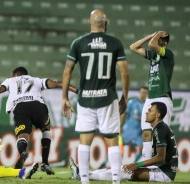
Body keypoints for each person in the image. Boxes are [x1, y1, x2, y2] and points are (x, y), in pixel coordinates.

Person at [0, 66, 78, 175]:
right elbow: (59, 84)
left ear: (16, 75)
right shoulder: (37, 80)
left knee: (22, 136)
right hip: (38, 106)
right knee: (46, 131)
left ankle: (23, 152)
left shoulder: (10, 80)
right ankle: (45, 162)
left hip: (21, 107)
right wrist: (78, 91)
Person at [62, 9, 130, 184]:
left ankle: (84, 180)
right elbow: (125, 73)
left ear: (89, 23)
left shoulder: (79, 43)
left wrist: (64, 98)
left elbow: (67, 70)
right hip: (107, 97)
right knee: (112, 140)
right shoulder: (115, 43)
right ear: (105, 24)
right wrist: (125, 97)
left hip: (86, 98)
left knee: (85, 140)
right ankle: (116, 181)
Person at [69, 102, 179, 182]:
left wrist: (137, 164)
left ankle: (83, 175)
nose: (146, 112)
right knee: (121, 169)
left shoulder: (160, 129)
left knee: (125, 172)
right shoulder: (160, 128)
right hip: (163, 170)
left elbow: (161, 157)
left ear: (157, 115)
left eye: (150, 110)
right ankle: (85, 174)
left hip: (165, 174)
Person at [130, 31, 174, 161]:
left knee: (160, 135)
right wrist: (150, 35)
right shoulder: (153, 56)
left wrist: (159, 33)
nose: (156, 40)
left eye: (160, 39)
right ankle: (146, 162)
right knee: (146, 133)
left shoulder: (168, 54)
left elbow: (151, 45)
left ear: (164, 42)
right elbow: (133, 47)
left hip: (163, 98)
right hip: (151, 98)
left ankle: (162, 164)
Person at [121, 86, 148, 163]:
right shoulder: (132, 102)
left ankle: (132, 165)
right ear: (139, 93)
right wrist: (120, 126)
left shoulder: (147, 105)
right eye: (142, 92)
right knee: (116, 146)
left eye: (145, 93)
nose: (144, 94)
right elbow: (124, 113)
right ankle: (104, 163)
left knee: (141, 149)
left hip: (139, 131)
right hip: (128, 129)